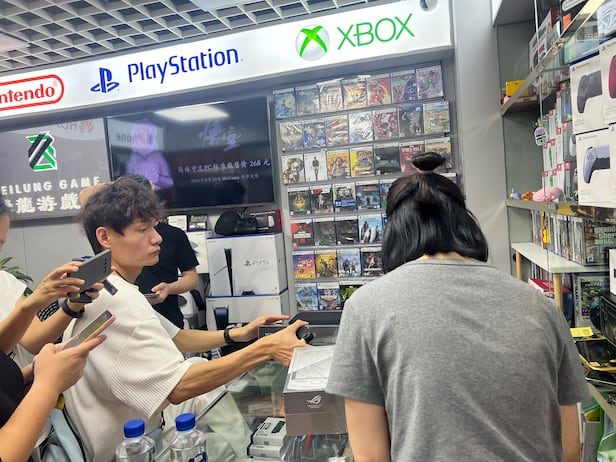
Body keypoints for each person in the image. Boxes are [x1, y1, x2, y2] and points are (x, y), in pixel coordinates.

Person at [326, 152, 589, 462]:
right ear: (465, 224)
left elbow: (371, 457)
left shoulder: (364, 308)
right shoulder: (542, 307)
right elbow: (570, 449)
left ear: (395, 233)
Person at [63, 176, 308, 460]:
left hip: (142, 427)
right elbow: (178, 387)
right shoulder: (119, 301)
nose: (157, 238)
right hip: (131, 449)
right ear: (105, 237)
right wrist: (265, 348)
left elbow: (177, 337)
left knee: (197, 365)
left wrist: (238, 334)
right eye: (142, 230)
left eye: (154, 227)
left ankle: (246, 453)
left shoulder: (113, 289)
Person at [0, 194, 105, 462]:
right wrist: (47, 384)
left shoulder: (4, 282)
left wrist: (57, 304)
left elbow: (27, 342)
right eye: (142, 228)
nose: (155, 238)